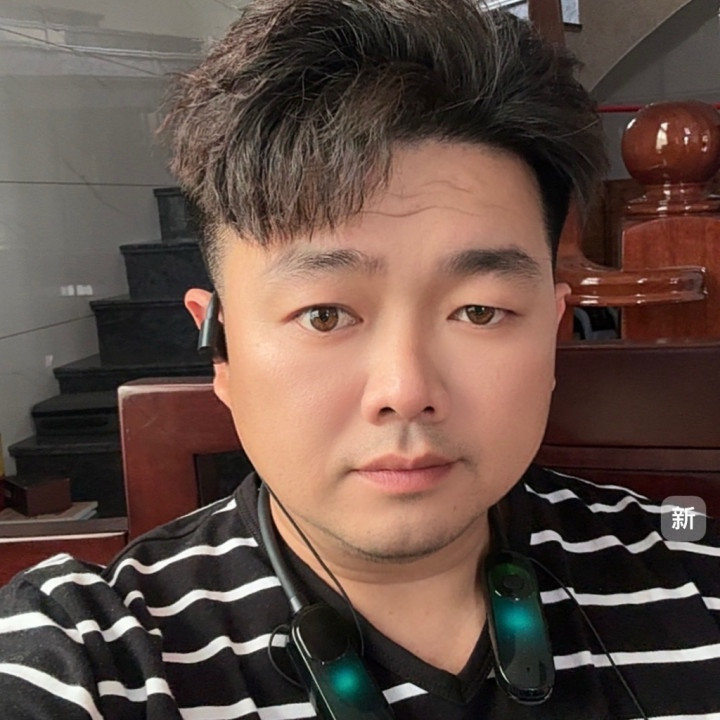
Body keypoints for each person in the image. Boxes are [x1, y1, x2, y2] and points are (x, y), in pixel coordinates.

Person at [1, 1, 719, 718]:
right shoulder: (86, 654)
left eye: (478, 311)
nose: (406, 390)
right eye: (324, 315)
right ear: (220, 347)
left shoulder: (692, 574)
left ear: (553, 333)